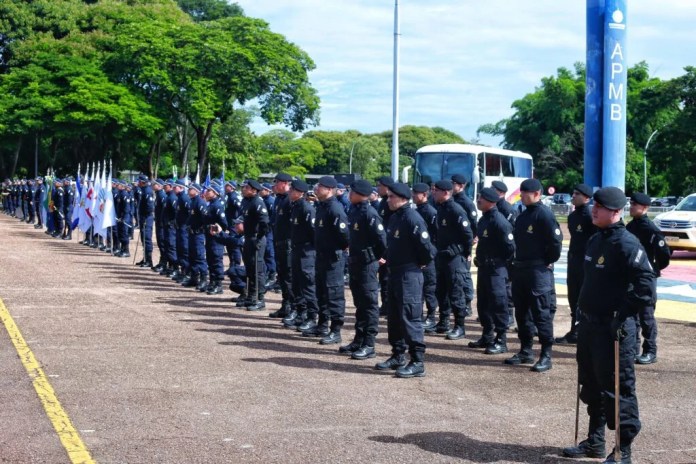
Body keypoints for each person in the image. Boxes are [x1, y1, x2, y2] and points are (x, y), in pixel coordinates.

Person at [562, 187, 656, 464]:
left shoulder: (627, 244)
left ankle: (622, 450)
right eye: (594, 205)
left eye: (599, 207)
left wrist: (622, 314)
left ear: (615, 212)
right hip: (589, 326)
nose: (593, 210)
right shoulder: (595, 239)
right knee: (591, 385)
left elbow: (646, 289)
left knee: (618, 390)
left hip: (613, 329)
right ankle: (595, 441)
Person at [375, 182, 436, 378]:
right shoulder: (395, 217)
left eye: (391, 197)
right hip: (395, 273)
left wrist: (419, 263)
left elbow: (426, 248)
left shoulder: (412, 218)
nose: (388, 200)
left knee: (410, 317)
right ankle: (397, 355)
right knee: (394, 318)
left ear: (402, 198)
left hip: (409, 274)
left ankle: (417, 361)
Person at [505, 178, 562, 373]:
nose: (521, 196)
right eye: (521, 192)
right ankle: (525, 350)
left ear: (537, 194)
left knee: (541, 313)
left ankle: (546, 354)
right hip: (521, 269)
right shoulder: (523, 215)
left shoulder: (544, 214)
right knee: (522, 313)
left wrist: (547, 260)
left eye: (525, 193)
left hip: (538, 271)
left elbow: (555, 242)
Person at [340, 179, 387, 359]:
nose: (349, 194)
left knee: (369, 304)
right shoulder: (354, 210)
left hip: (367, 264)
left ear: (361, 194)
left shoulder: (370, 213)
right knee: (359, 303)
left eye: (352, 192)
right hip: (355, 262)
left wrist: (377, 257)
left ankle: (369, 344)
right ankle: (358, 340)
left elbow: (381, 240)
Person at [302, 176, 350, 344]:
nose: (316, 188)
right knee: (321, 292)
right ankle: (322, 325)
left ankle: (335, 330)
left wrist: (340, 248)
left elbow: (344, 235)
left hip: (332, 258)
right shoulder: (322, 206)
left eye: (320, 186)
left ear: (329, 189)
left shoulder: (335, 208)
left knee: (334, 293)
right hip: (321, 256)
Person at [626, 191, 670, 364]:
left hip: (645, 278)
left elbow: (664, 255)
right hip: (631, 276)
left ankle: (650, 351)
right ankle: (633, 348)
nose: (631, 207)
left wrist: (652, 270)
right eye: (630, 204)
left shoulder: (652, 230)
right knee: (632, 315)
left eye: (634, 205)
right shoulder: (630, 227)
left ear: (644, 207)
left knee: (646, 316)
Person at [469, 187, 515, 354]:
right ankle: (487, 335)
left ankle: (501, 340)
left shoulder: (499, 221)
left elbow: (510, 248)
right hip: (484, 267)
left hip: (497, 269)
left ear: (491, 201)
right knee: (483, 303)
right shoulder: (484, 219)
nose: (478, 200)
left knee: (498, 303)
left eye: (481, 198)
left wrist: (501, 264)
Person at [429, 179, 474, 340]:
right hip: (442, 256)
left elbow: (467, 235)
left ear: (446, 192)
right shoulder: (441, 208)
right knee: (441, 291)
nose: (433, 193)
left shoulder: (456, 210)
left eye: (436, 190)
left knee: (456, 292)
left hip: (454, 258)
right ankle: (443, 322)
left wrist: (464, 252)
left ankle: (460, 326)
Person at [557, 184, 597, 345]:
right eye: (573, 193)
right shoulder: (573, 216)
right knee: (573, 297)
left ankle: (583, 332)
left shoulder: (591, 216)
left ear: (586, 198)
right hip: (573, 260)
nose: (573, 196)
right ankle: (575, 330)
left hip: (585, 262)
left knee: (583, 298)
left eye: (577, 194)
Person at [284, 179, 319, 330]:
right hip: (297, 249)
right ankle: (300, 313)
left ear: (300, 193)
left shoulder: (307, 208)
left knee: (308, 284)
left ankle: (312, 317)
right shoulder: (295, 207)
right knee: (297, 283)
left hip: (307, 251)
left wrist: (311, 249)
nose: (289, 192)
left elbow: (314, 232)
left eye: (292, 190)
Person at [411, 183, 438, 331]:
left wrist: (428, 255)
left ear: (424, 195)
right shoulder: (416, 211)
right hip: (417, 255)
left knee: (429, 288)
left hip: (428, 256)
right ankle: (418, 315)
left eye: (416, 193)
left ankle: (431, 317)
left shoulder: (431, 212)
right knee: (418, 289)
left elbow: (435, 236)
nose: (413, 196)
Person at [239, 180, 269, 309]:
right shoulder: (246, 201)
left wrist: (259, 237)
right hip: (248, 237)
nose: (244, 189)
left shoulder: (258, 202)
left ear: (254, 190)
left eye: (246, 188)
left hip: (256, 238)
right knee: (250, 268)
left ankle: (259, 299)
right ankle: (251, 296)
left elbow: (265, 223)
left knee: (257, 269)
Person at [269, 173, 294, 319]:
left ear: (284, 183)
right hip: (279, 242)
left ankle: (292, 306)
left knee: (289, 277)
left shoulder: (291, 199)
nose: (274, 185)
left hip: (288, 243)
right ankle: (285, 305)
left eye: (277, 182)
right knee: (282, 276)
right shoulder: (279, 199)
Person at [203, 184, 230, 296]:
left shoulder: (217, 205)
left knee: (216, 260)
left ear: (215, 193)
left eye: (209, 191)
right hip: (209, 237)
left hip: (216, 238)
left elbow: (224, 224)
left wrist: (214, 228)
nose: (206, 192)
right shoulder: (210, 204)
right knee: (210, 259)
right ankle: (212, 282)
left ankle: (218, 285)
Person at [184, 183, 209, 291]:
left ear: (197, 191)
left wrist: (201, 228)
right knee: (192, 256)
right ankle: (194, 277)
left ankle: (203, 278)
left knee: (199, 256)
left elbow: (205, 218)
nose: (189, 190)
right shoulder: (192, 201)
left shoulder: (200, 202)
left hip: (198, 234)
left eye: (191, 189)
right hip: (191, 233)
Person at [135, 175, 155, 268]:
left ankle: (149, 260)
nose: (138, 183)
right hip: (143, 217)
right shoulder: (143, 190)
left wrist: (145, 217)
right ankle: (145, 258)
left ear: (142, 182)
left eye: (139, 181)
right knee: (143, 238)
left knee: (146, 239)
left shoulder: (147, 191)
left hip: (147, 217)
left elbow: (150, 207)